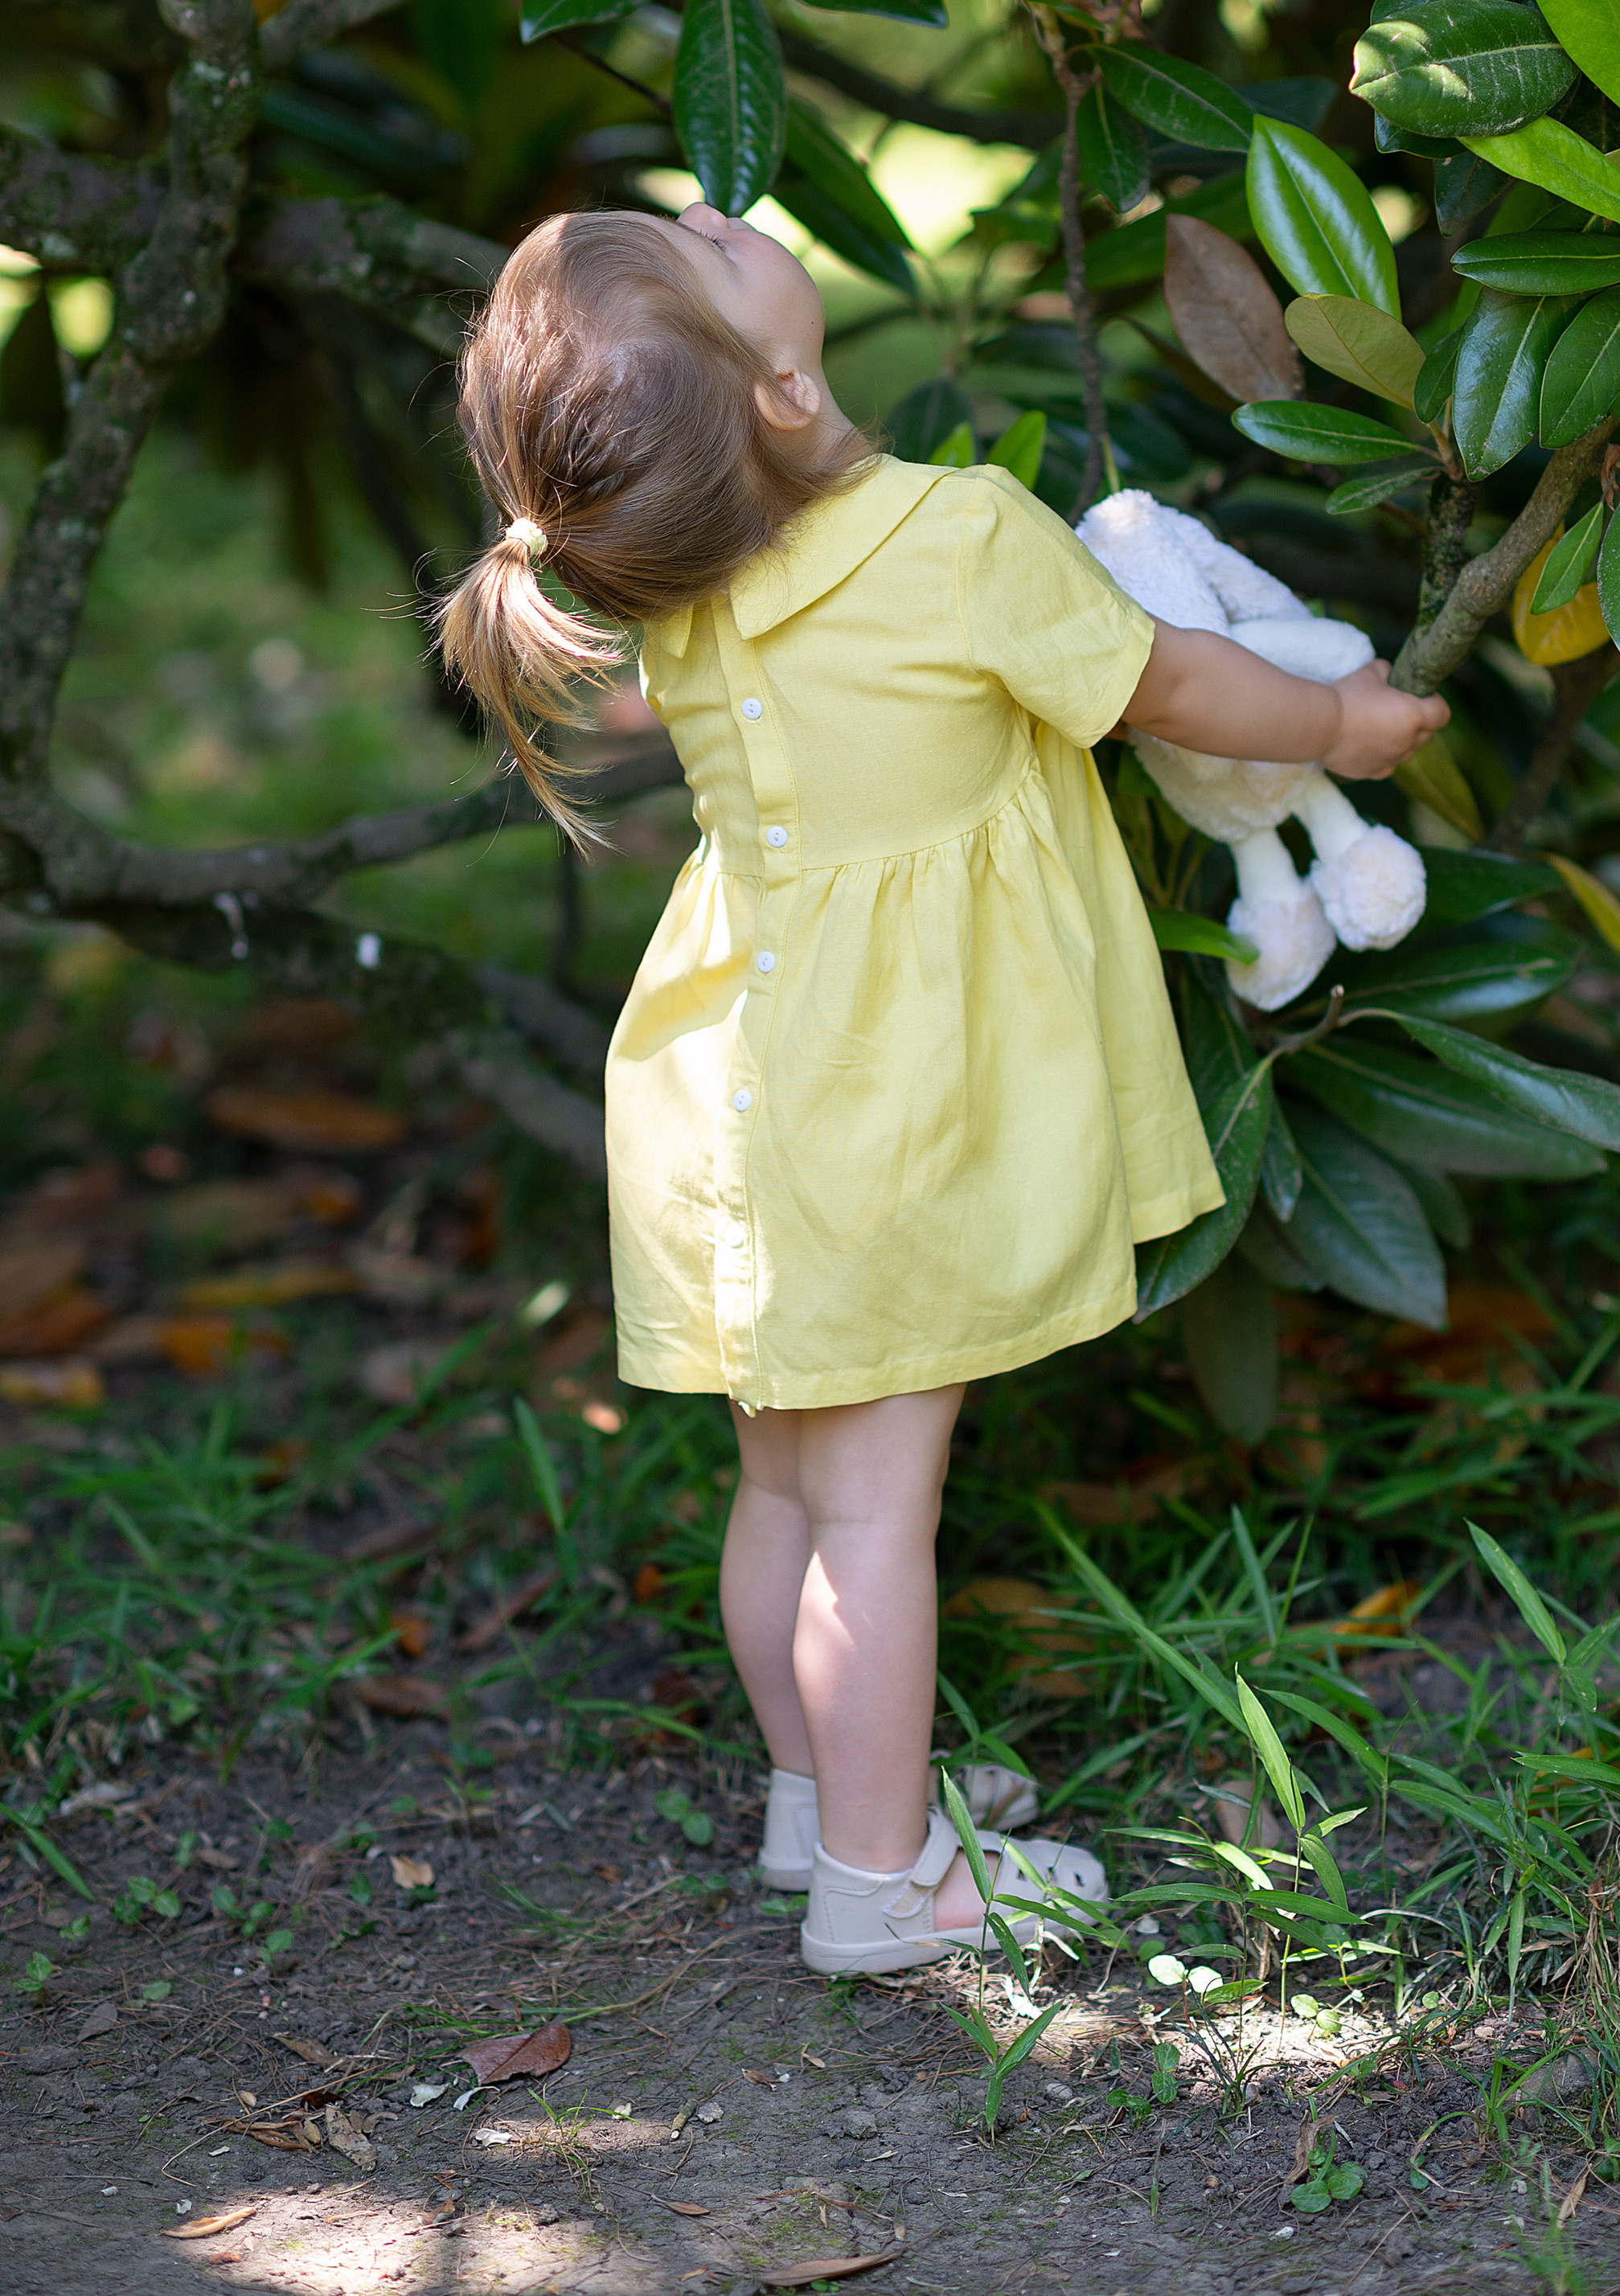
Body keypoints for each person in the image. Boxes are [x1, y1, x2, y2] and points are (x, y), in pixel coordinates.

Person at [437, 203, 1450, 1976]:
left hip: (722, 1087)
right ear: (784, 380)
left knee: (785, 1490)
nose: (717, 207)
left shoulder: (667, 564)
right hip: (877, 1107)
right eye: (705, 239)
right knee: (871, 1516)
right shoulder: (959, 539)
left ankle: (814, 1798)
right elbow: (1173, 682)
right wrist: (1344, 732)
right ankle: (888, 1883)